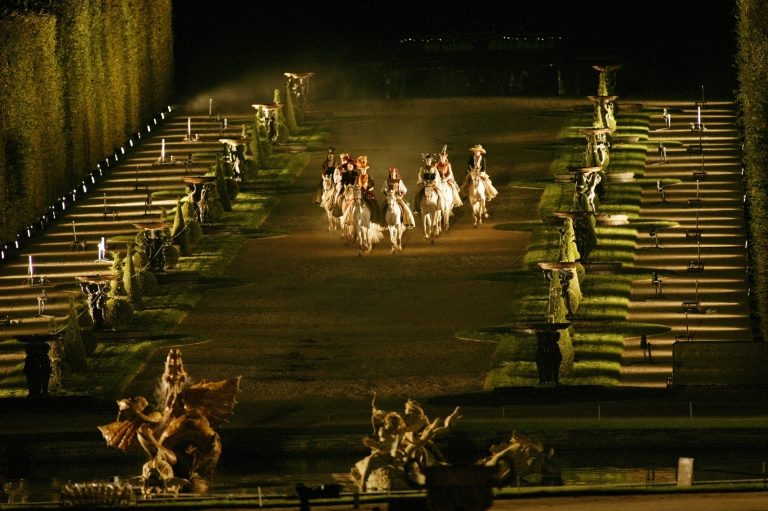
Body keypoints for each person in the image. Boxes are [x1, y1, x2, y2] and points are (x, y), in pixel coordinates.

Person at [355, 155, 380, 223]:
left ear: (366, 169)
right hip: (359, 193)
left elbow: (372, 186)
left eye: (364, 169)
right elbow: (356, 185)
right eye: (362, 169)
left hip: (368, 193)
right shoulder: (358, 177)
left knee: (373, 203)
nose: (363, 170)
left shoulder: (369, 177)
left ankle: (374, 218)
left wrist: (369, 189)